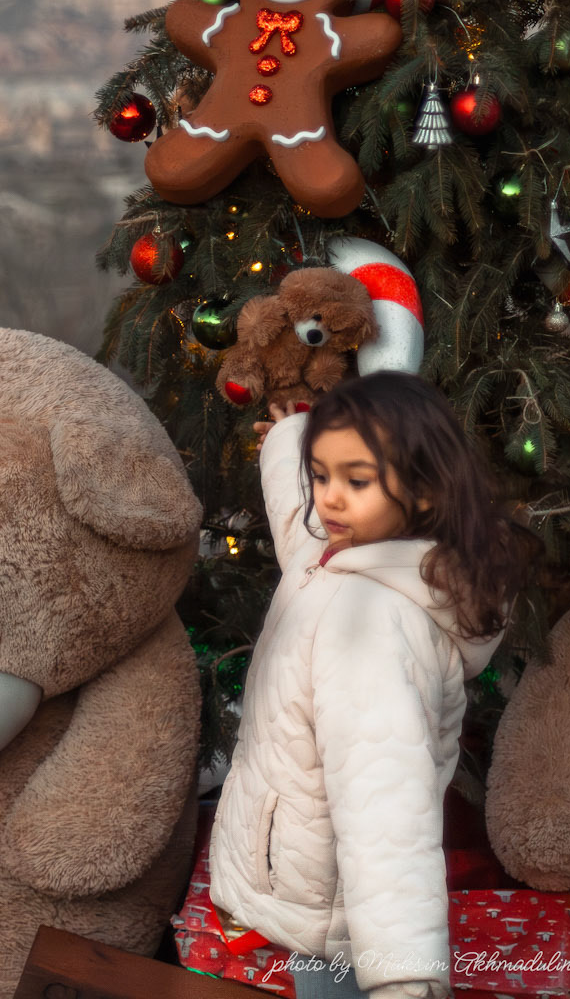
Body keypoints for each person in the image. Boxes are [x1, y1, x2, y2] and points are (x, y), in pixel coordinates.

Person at [208, 370, 533, 999]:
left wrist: (403, 975)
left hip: (343, 922)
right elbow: (295, 521)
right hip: (311, 885)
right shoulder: (343, 553)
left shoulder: (373, 627)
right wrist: (289, 438)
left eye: (355, 481)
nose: (328, 499)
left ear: (423, 489)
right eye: (320, 474)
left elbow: (386, 811)